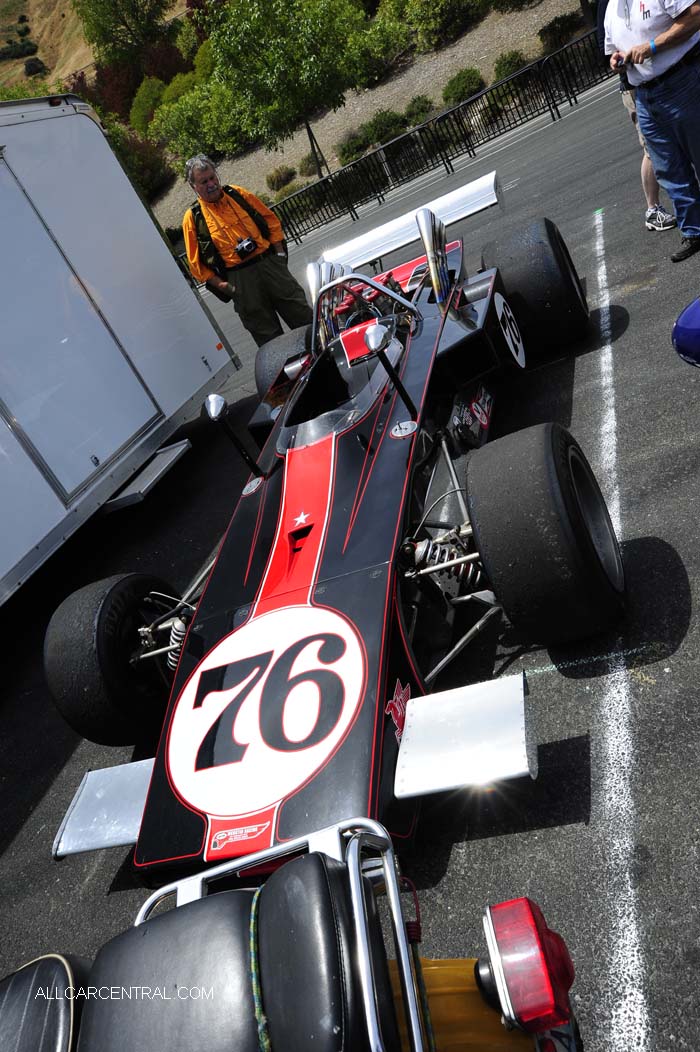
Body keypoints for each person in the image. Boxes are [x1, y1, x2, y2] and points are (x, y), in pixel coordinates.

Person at [604, 0, 700, 261]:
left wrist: (653, 46)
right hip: (645, 95)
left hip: (683, 79)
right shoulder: (612, 9)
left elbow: (694, 16)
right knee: (669, 169)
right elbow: (614, 50)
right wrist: (616, 61)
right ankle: (694, 231)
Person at [183, 155, 313, 346]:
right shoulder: (193, 218)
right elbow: (195, 265)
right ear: (194, 186)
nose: (211, 184)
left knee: (303, 317)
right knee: (268, 338)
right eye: (204, 181)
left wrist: (279, 253)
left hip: (270, 265)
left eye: (212, 177)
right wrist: (222, 285)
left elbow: (271, 220)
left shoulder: (237, 193)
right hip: (240, 280)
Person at [596, 0, 676, 232]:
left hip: (663, 75)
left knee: (673, 142)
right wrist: (619, 59)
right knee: (652, 149)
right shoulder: (609, 5)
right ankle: (652, 209)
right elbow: (608, 50)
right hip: (636, 86)